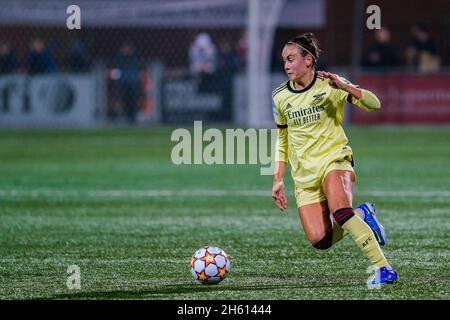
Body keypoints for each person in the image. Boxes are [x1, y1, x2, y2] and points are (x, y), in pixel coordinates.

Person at [271, 32, 398, 288]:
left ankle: (383, 267)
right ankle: (362, 214)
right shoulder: (279, 97)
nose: (286, 65)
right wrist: (277, 178)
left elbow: (375, 104)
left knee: (340, 211)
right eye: (284, 60)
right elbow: (282, 139)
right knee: (320, 240)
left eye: (292, 59)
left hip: (335, 161)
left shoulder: (330, 84)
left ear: (308, 60)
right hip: (304, 175)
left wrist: (346, 87)